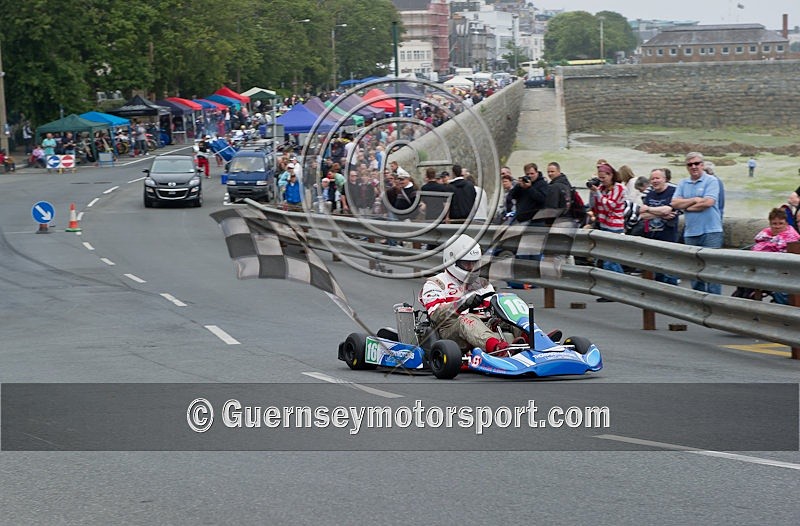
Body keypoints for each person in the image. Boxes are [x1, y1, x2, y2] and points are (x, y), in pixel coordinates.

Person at [419, 234, 510, 356]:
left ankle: (537, 342)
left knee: (510, 315)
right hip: (451, 333)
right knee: (467, 319)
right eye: (467, 264)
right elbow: (436, 316)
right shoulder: (435, 283)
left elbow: (495, 308)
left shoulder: (482, 283)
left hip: (484, 327)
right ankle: (498, 349)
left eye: (474, 263)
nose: (472, 268)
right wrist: (462, 304)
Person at [671, 152, 724, 294]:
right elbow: (674, 203)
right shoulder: (683, 183)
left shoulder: (711, 181)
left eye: (696, 163)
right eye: (690, 164)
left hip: (711, 230)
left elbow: (709, 202)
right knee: (694, 269)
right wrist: (694, 200)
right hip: (691, 231)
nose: (694, 167)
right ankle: (698, 299)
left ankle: (715, 301)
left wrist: (686, 207)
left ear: (702, 165)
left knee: (712, 269)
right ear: (686, 167)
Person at [734, 208, 800, 304]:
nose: (777, 227)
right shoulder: (764, 235)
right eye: (774, 224)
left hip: (782, 273)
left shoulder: (792, 238)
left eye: (781, 223)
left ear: (786, 224)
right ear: (770, 224)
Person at [588, 162, 627, 298]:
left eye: (603, 177)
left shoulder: (619, 188)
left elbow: (610, 205)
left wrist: (598, 192)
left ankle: (621, 288)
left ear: (611, 175)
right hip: (604, 226)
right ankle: (611, 291)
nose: (602, 180)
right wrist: (593, 192)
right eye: (599, 178)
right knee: (605, 260)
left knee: (611, 260)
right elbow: (595, 207)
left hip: (615, 227)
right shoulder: (601, 189)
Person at [639, 169, 681, 285]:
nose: (655, 181)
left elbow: (668, 210)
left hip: (668, 238)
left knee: (670, 272)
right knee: (658, 273)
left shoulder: (673, 192)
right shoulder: (650, 194)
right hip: (652, 238)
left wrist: (649, 209)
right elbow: (643, 215)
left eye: (658, 178)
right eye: (652, 179)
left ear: (665, 179)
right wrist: (660, 212)